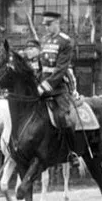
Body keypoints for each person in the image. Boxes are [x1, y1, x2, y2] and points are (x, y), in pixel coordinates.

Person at [37, 11, 76, 148]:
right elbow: (41, 67)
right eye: (45, 25)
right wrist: (36, 83)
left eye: (49, 24)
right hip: (42, 87)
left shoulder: (65, 41)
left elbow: (60, 69)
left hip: (58, 88)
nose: (46, 28)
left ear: (57, 23)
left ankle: (71, 150)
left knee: (65, 118)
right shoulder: (44, 40)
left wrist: (45, 86)